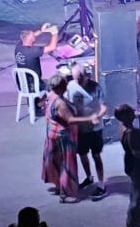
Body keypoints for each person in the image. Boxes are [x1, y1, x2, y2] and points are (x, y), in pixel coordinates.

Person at [42, 73, 102, 204]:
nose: (67, 87)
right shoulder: (59, 103)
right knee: (66, 165)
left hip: (52, 134)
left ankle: (59, 187)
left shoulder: (50, 96)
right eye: (64, 86)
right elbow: (70, 120)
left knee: (57, 162)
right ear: (60, 88)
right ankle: (66, 194)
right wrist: (89, 119)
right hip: (63, 138)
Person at [65, 62, 108, 200]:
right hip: (80, 128)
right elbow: (66, 102)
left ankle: (101, 185)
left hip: (95, 129)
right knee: (82, 154)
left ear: (85, 76)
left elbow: (104, 107)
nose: (76, 81)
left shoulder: (95, 87)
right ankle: (89, 177)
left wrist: (98, 116)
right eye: (74, 78)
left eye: (79, 78)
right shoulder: (71, 86)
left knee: (96, 156)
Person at [14, 22, 60, 87]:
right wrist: (55, 33)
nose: (34, 35)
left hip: (22, 84)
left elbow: (28, 37)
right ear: (31, 38)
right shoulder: (33, 51)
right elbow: (52, 47)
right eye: (33, 35)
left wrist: (42, 31)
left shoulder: (18, 47)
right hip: (35, 85)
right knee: (56, 84)